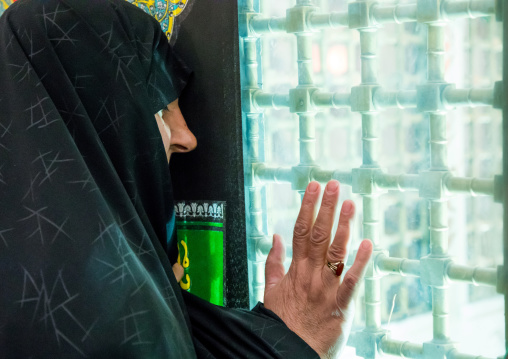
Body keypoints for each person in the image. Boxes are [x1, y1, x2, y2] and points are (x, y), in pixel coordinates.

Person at [0, 0, 373, 358]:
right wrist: (300, 340)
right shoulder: (103, 312)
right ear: (94, 120)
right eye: (159, 107)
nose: (186, 136)